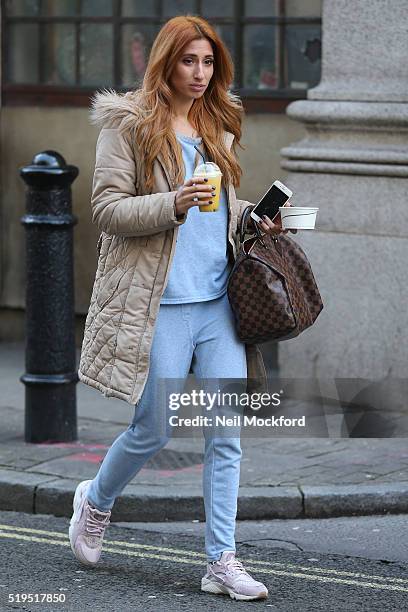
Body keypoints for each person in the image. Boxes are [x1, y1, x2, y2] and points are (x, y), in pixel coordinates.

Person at [70, 14, 296, 602]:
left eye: (209, 62)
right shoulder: (128, 127)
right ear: (166, 63)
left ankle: (221, 560)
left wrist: (254, 218)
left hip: (219, 303)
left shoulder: (217, 122)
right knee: (154, 427)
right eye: (188, 62)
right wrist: (171, 201)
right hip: (162, 303)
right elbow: (108, 209)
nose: (200, 74)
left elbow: (219, 210)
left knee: (226, 434)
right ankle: (95, 501)